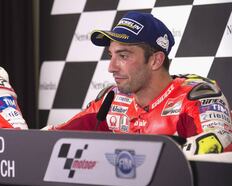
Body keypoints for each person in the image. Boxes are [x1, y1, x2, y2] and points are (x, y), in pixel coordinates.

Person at [46, 11, 232, 156]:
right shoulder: (112, 100)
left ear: (155, 60)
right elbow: (50, 138)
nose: (111, 67)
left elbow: (216, 146)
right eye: (111, 56)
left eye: (123, 56)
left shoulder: (197, 98)